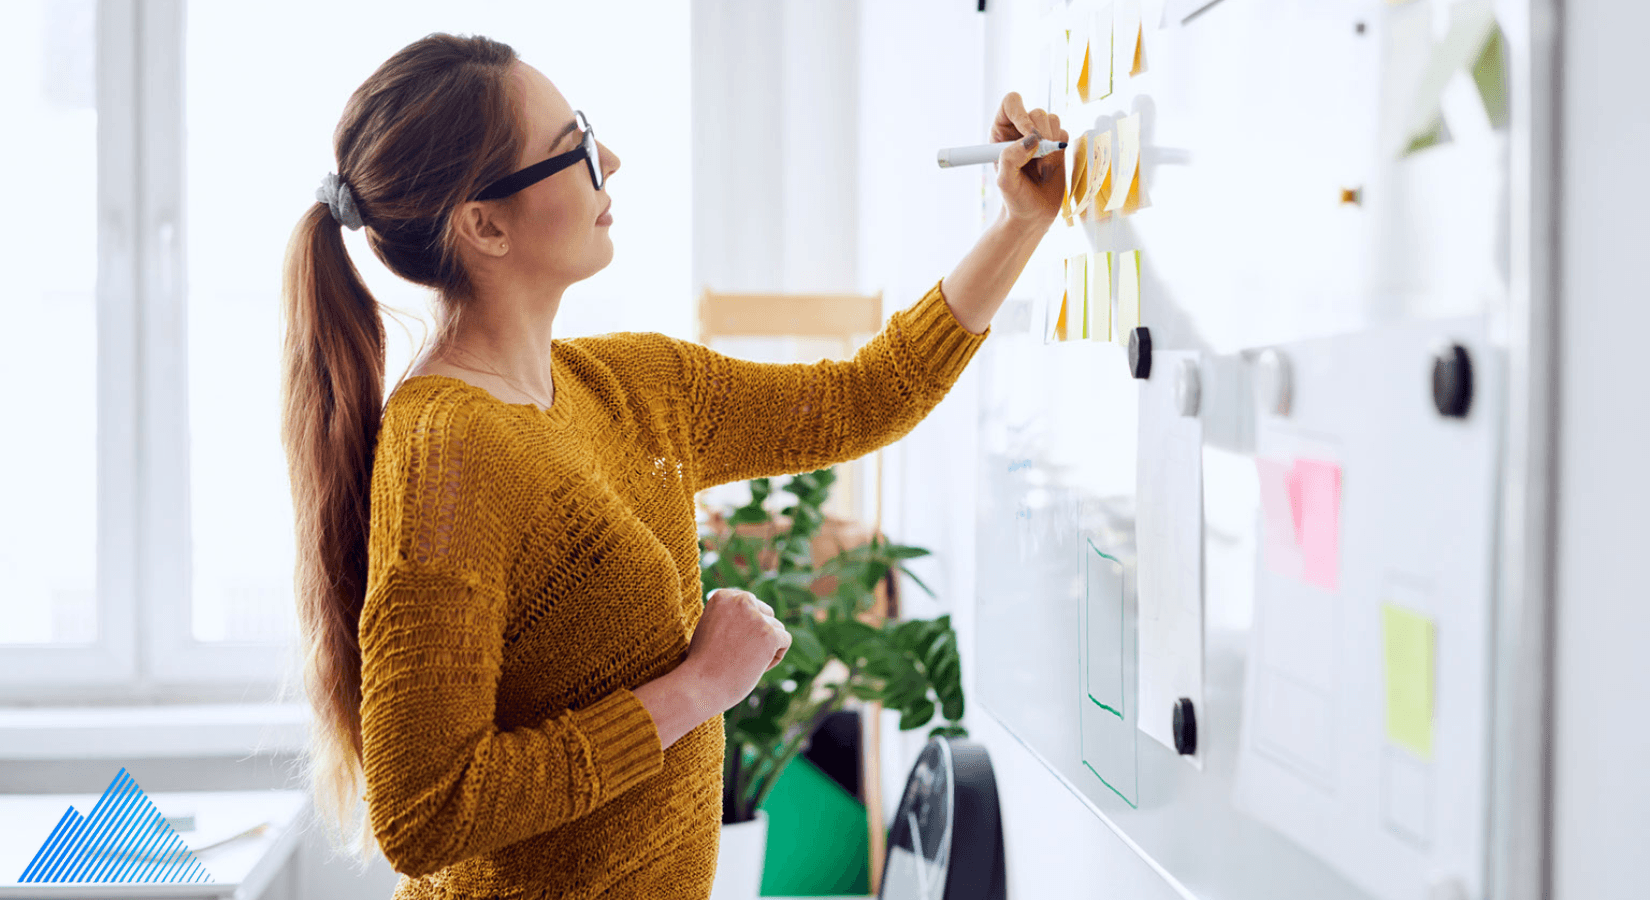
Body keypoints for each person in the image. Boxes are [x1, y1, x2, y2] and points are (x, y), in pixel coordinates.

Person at [279, 31, 1066, 900]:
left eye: (586, 130)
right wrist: (695, 689)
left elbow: (861, 398)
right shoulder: (450, 454)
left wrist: (1018, 224)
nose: (606, 158)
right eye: (569, 150)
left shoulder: (629, 387)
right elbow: (425, 813)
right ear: (484, 224)